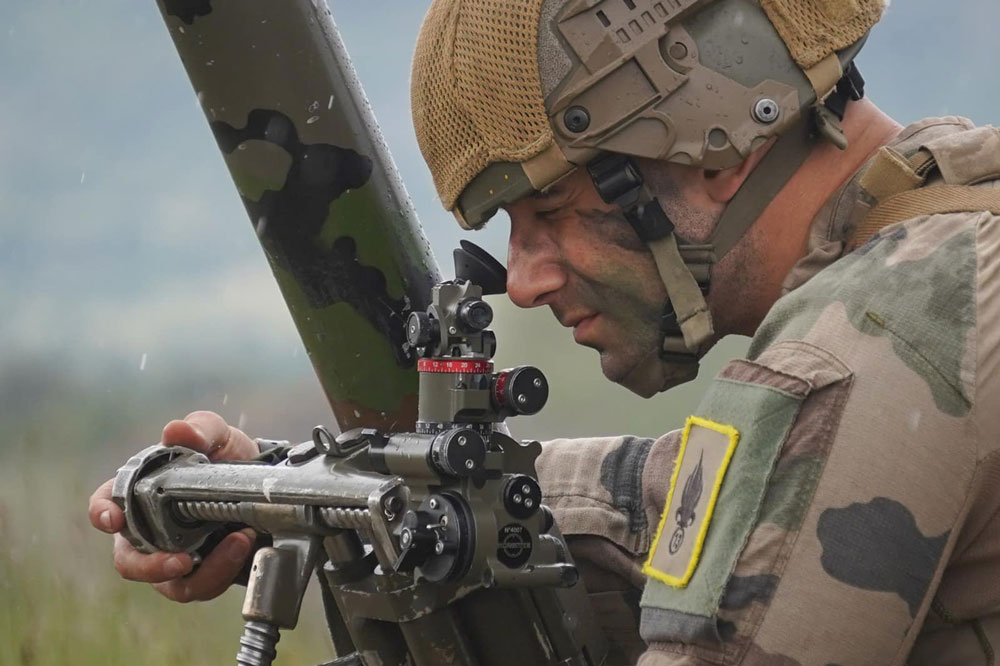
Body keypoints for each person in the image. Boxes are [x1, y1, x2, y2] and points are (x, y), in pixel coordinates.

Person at [90, 0, 1000, 663]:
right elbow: (694, 497)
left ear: (716, 143)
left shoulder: (880, 340)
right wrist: (311, 493)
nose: (522, 281)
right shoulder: (940, 244)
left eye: (551, 210)